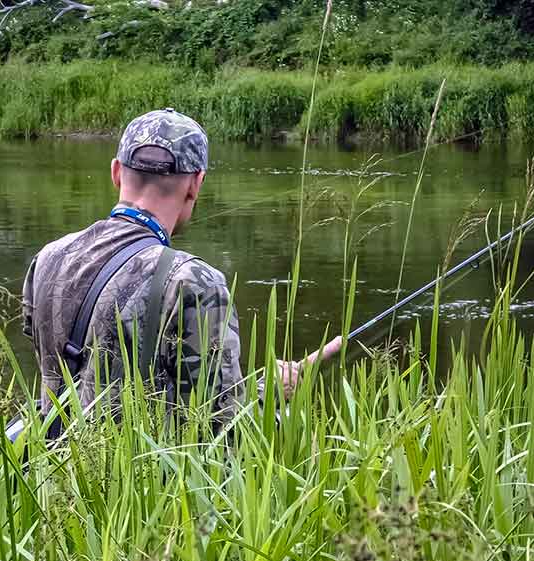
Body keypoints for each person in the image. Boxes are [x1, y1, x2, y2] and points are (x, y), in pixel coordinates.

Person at [21, 108, 341, 436]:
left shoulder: (49, 257)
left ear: (116, 172)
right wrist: (270, 391)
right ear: (195, 183)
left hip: (52, 464)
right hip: (140, 470)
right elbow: (223, 435)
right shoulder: (194, 283)